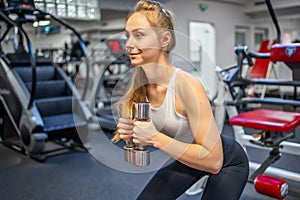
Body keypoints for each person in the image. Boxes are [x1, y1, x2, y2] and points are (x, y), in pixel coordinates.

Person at [115, 0, 249, 199]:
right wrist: (131, 132)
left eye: (139, 35)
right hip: (187, 155)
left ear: (164, 39)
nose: (129, 44)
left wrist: (154, 138)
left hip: (226, 160)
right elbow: (144, 140)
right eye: (128, 36)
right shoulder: (139, 83)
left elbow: (214, 161)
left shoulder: (186, 86)